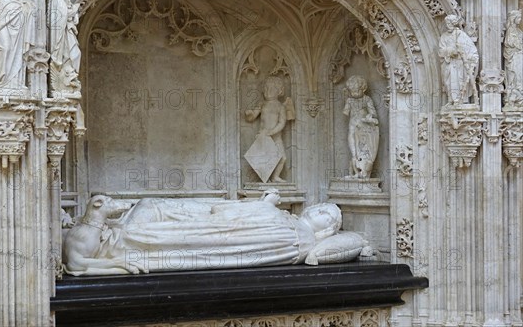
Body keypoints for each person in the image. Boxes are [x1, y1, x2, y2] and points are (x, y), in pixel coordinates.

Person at [63, 190, 368, 275]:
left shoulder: (295, 234)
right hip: (214, 224)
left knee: (149, 211)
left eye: (326, 213)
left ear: (327, 230)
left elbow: (228, 215)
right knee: (149, 206)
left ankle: (109, 244)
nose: (316, 209)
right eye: (320, 206)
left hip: (209, 231)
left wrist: (264, 204)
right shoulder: (290, 224)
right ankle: (106, 238)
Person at [245, 76, 294, 182]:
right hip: (263, 137)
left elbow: (282, 123)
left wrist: (272, 132)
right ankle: (265, 178)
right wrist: (249, 114)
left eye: (271, 88)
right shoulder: (262, 104)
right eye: (266, 88)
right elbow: (253, 116)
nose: (268, 91)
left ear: (279, 91)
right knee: (263, 159)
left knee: (282, 158)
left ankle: (275, 176)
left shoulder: (280, 106)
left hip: (276, 138)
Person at [47, 0, 82, 97]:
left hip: (68, 31)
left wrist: (73, 12)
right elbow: (59, 19)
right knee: (73, 54)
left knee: (75, 54)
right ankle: (65, 79)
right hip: (62, 34)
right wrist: (72, 11)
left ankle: (69, 75)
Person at [438, 15, 480, 107]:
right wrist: (450, 51)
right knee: (448, 82)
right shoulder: (444, 37)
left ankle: (460, 100)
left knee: (459, 81)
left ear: (454, 23)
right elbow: (441, 51)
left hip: (459, 64)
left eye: (449, 23)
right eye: (447, 23)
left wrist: (469, 57)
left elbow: (471, 49)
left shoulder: (461, 35)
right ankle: (451, 100)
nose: (448, 25)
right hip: (449, 63)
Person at [343, 75, 379, 179]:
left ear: (363, 89)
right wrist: (345, 98)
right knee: (352, 143)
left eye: (356, 91)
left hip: (363, 126)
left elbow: (373, 113)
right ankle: (354, 160)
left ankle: (362, 170)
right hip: (353, 125)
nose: (354, 93)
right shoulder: (350, 100)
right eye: (352, 91)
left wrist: (369, 117)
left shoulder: (367, 99)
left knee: (363, 147)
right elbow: (345, 112)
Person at [504, 10, 523, 108]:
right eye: (518, 18)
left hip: (519, 56)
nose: (520, 20)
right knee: (515, 75)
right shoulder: (510, 30)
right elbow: (509, 43)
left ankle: (518, 97)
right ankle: (513, 96)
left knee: (519, 77)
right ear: (513, 19)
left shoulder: (519, 31)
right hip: (514, 57)